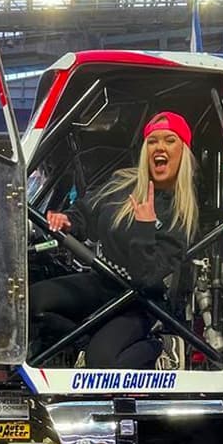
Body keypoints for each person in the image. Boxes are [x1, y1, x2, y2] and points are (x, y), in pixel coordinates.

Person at [33, 111, 199, 368]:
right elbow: (86, 213)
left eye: (169, 140)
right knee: (33, 304)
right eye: (153, 141)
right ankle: (84, 344)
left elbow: (146, 277)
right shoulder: (122, 183)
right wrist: (68, 220)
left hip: (140, 300)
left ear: (183, 151)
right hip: (103, 281)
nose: (160, 147)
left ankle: (162, 346)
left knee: (103, 361)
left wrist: (145, 226)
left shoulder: (182, 214)